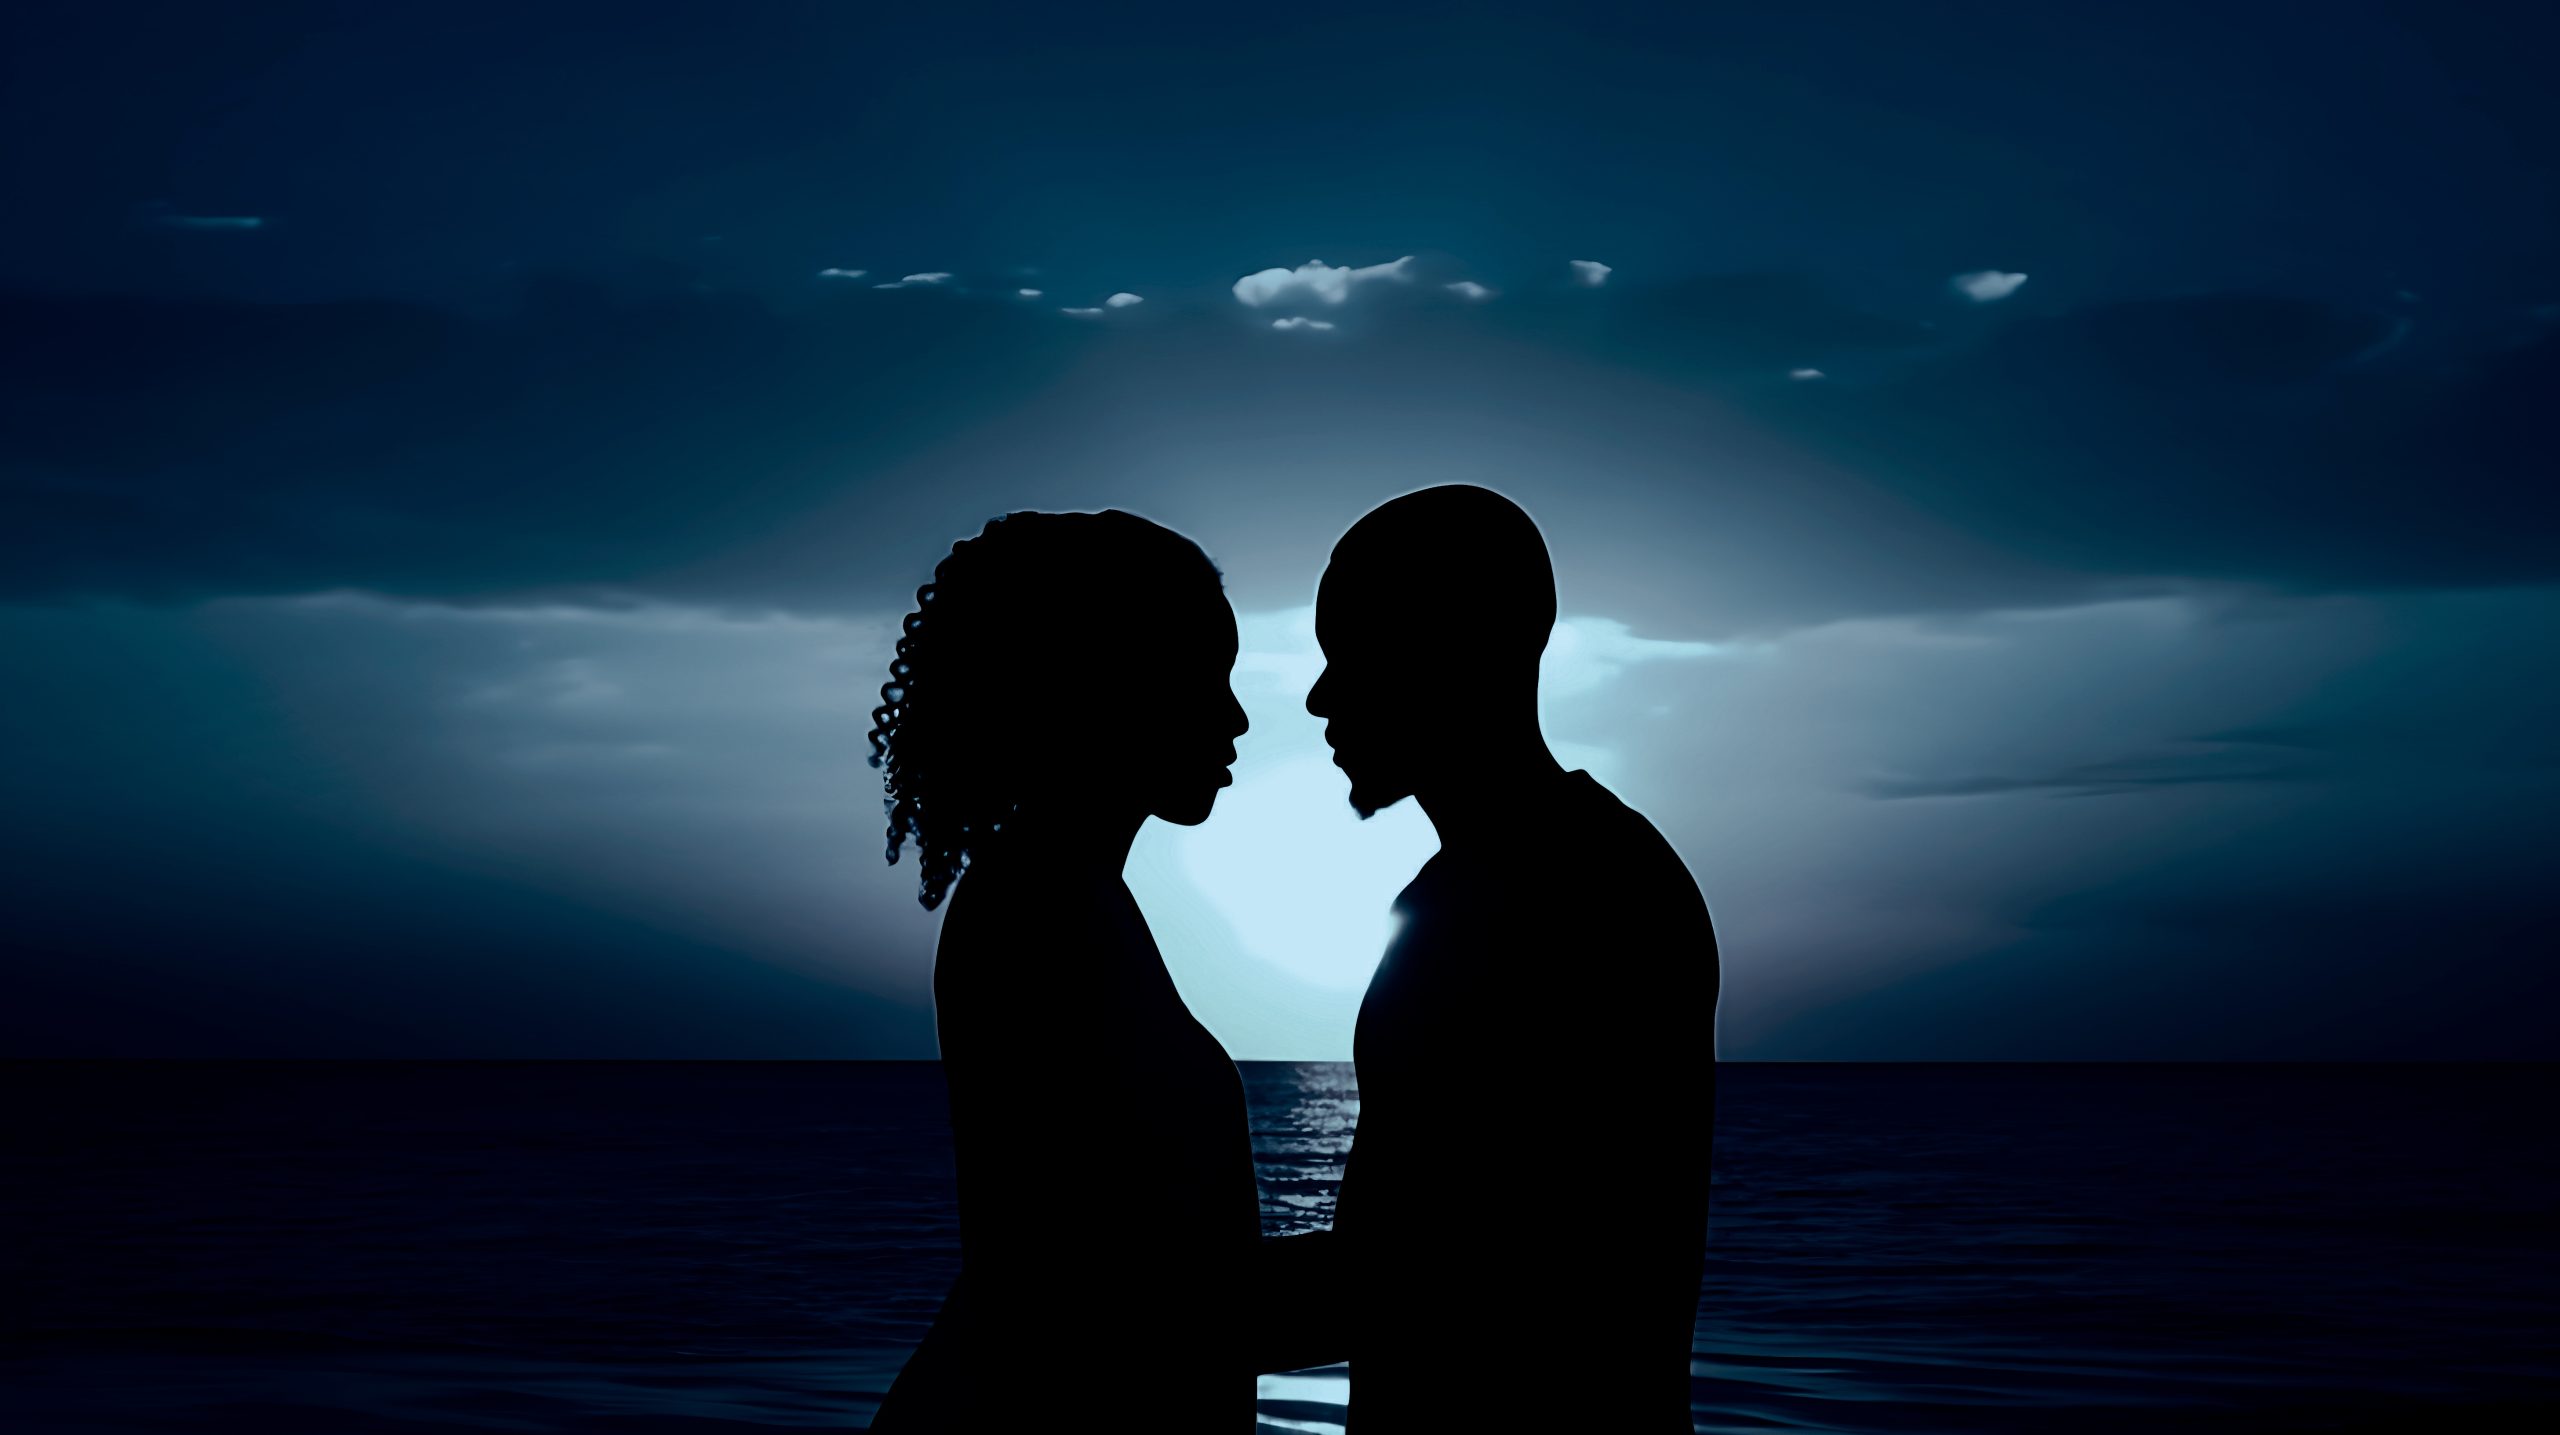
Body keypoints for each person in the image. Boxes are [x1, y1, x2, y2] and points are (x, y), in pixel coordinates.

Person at [1279, 484, 1722, 1431]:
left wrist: (1091, 1301)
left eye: (1348, 652)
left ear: (1452, 650)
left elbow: (1403, 1277)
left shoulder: (1534, 901)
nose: (1320, 695)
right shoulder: (1584, 872)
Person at [865, 509, 1271, 1431]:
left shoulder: (1062, 901)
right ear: (1108, 684)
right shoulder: (1042, 916)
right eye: (1208, 675)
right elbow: (1118, 1292)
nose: (1237, 715)